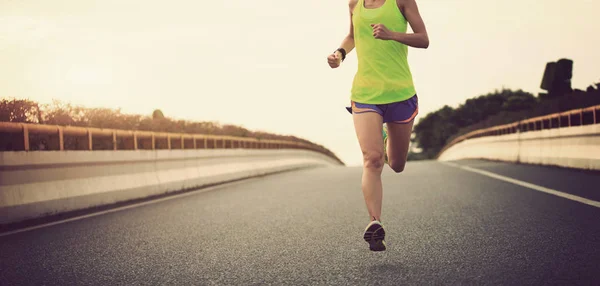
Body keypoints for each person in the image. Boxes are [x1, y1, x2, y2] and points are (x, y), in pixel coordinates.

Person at [327, 0, 429, 251]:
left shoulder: (402, 2)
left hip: (400, 93)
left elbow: (424, 39)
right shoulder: (354, 3)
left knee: (396, 164)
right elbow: (352, 35)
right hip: (365, 93)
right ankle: (375, 223)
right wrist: (339, 54)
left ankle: (385, 136)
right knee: (372, 159)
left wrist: (391, 34)